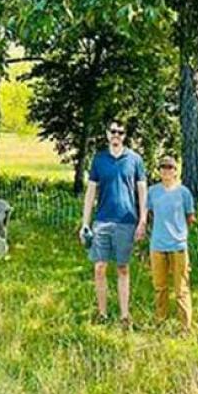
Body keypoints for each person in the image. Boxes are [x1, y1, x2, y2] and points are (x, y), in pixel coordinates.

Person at [79, 120, 148, 327]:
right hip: (101, 221)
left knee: (123, 268)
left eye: (120, 131)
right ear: (107, 134)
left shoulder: (135, 160)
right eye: (113, 131)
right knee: (99, 267)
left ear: (124, 135)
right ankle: (102, 313)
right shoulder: (99, 160)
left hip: (127, 221)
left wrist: (142, 220)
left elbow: (142, 191)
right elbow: (91, 192)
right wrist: (85, 222)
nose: (116, 134)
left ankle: (124, 316)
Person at [146, 155, 195, 330]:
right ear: (159, 171)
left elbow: (190, 217)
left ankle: (185, 326)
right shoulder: (152, 192)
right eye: (163, 167)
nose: (166, 171)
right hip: (157, 245)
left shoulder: (184, 192)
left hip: (178, 245)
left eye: (170, 167)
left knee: (181, 288)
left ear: (176, 171)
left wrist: (179, 233)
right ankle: (161, 321)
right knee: (160, 286)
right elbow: (149, 214)